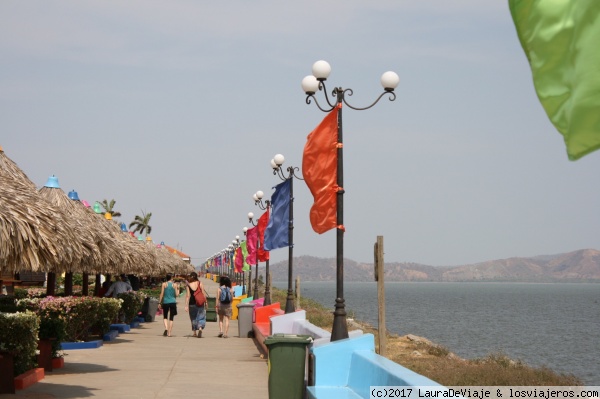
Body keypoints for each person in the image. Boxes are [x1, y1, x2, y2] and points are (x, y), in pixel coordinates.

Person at [184, 272, 208, 338]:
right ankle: (200, 328)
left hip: (192, 303)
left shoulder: (188, 285)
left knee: (193, 317)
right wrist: (206, 302)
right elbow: (203, 294)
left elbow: (188, 296)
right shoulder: (200, 283)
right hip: (200, 302)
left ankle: (194, 333)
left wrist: (186, 305)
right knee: (201, 316)